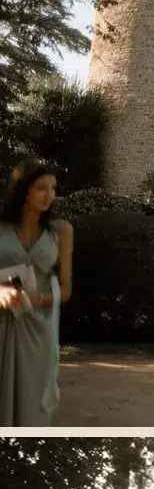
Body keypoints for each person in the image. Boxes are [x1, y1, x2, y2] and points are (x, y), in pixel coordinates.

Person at [1, 157, 73, 425]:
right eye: (41, 188)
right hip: (1, 321)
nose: (49, 196)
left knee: (33, 406)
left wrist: (36, 298)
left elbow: (65, 290)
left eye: (53, 189)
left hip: (38, 326)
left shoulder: (62, 231)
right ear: (23, 189)